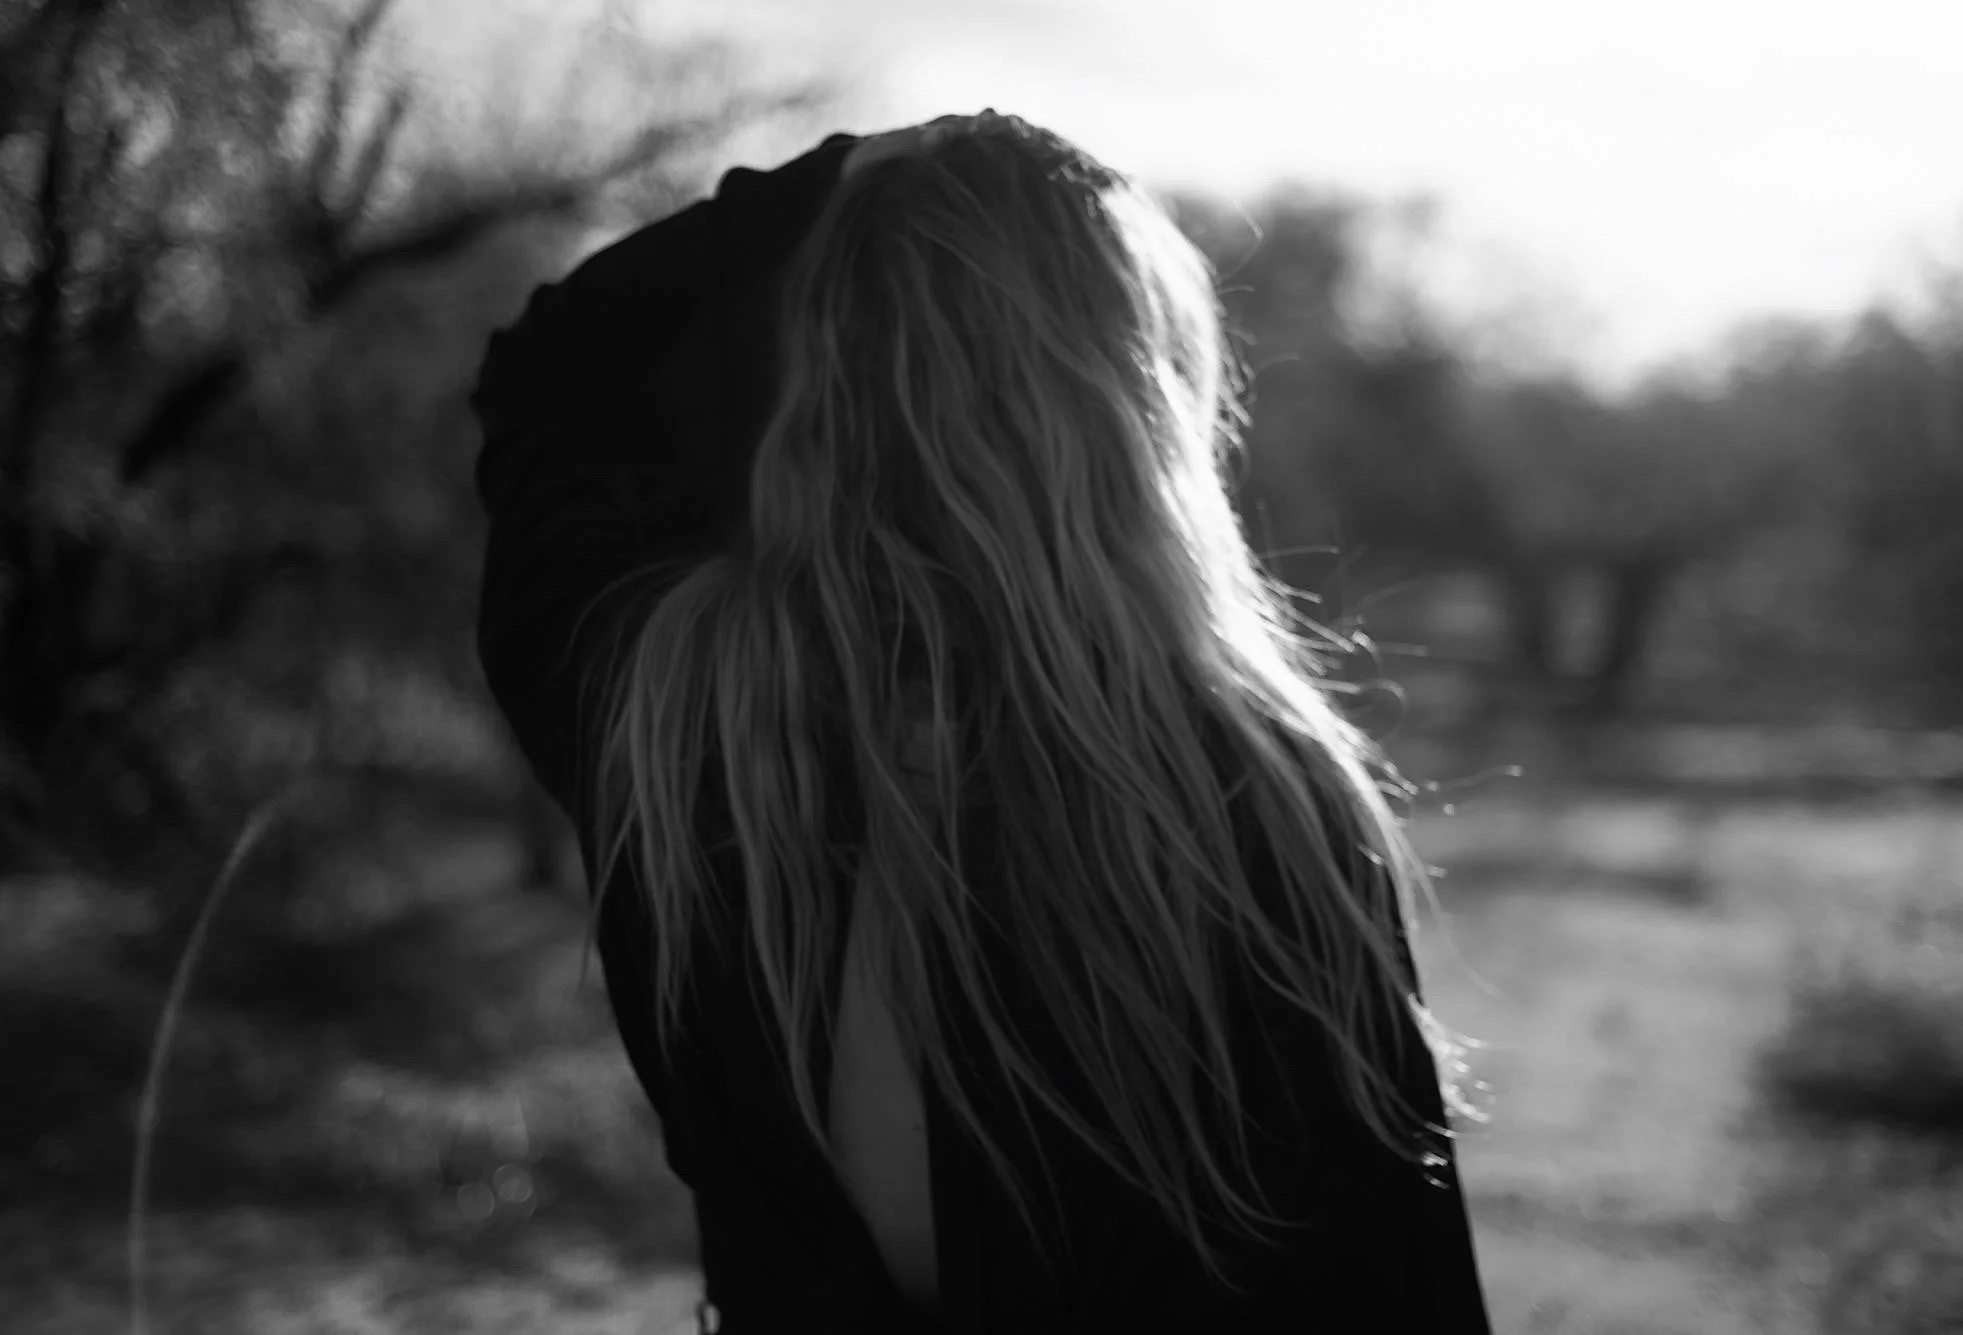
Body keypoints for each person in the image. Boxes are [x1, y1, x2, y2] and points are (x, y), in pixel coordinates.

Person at [471, 109, 1492, 1334]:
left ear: (824, 369)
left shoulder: (676, 727)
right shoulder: (1255, 800)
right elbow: (1393, 1286)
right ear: (1125, 399)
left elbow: (547, 374)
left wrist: (831, 184)